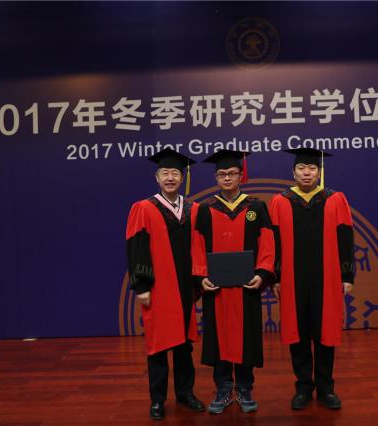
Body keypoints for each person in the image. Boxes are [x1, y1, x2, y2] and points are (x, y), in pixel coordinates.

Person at [269, 147, 354, 410]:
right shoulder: (281, 201)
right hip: (292, 279)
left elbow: (345, 238)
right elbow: (273, 243)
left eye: (312, 168)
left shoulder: (335, 199)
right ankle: (304, 387)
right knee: (299, 333)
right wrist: (275, 277)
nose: (307, 173)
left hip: (327, 278)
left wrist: (347, 275)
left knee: (325, 332)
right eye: (302, 168)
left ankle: (326, 388)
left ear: (319, 172)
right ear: (293, 172)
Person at [191, 149, 275, 414]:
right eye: (221, 174)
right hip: (216, 289)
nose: (226, 178)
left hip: (246, 286)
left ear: (241, 175)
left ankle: (245, 388)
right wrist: (202, 276)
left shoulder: (256, 207)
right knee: (218, 337)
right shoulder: (206, 210)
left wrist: (261, 273)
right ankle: (223, 388)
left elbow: (267, 243)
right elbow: (197, 245)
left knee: (246, 337)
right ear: (216, 177)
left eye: (231, 173)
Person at [125, 148, 205, 420]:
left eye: (175, 173)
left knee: (184, 345)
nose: (170, 178)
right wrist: (141, 286)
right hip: (158, 287)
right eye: (165, 173)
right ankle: (157, 399)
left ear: (182, 177)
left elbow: (200, 246)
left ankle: (186, 393)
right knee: (158, 345)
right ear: (156, 177)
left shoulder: (193, 209)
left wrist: (199, 281)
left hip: (185, 288)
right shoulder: (144, 208)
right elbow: (137, 248)